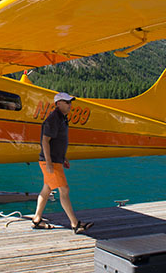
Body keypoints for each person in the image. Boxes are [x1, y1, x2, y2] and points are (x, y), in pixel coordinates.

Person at [31, 92, 94, 234]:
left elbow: (58, 141)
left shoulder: (62, 119)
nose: (70, 105)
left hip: (56, 160)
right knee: (64, 190)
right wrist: (49, 162)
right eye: (67, 102)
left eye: (70, 102)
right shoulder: (53, 119)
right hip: (51, 162)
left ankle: (37, 219)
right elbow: (45, 141)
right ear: (58, 104)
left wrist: (63, 157)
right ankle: (75, 224)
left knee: (47, 189)